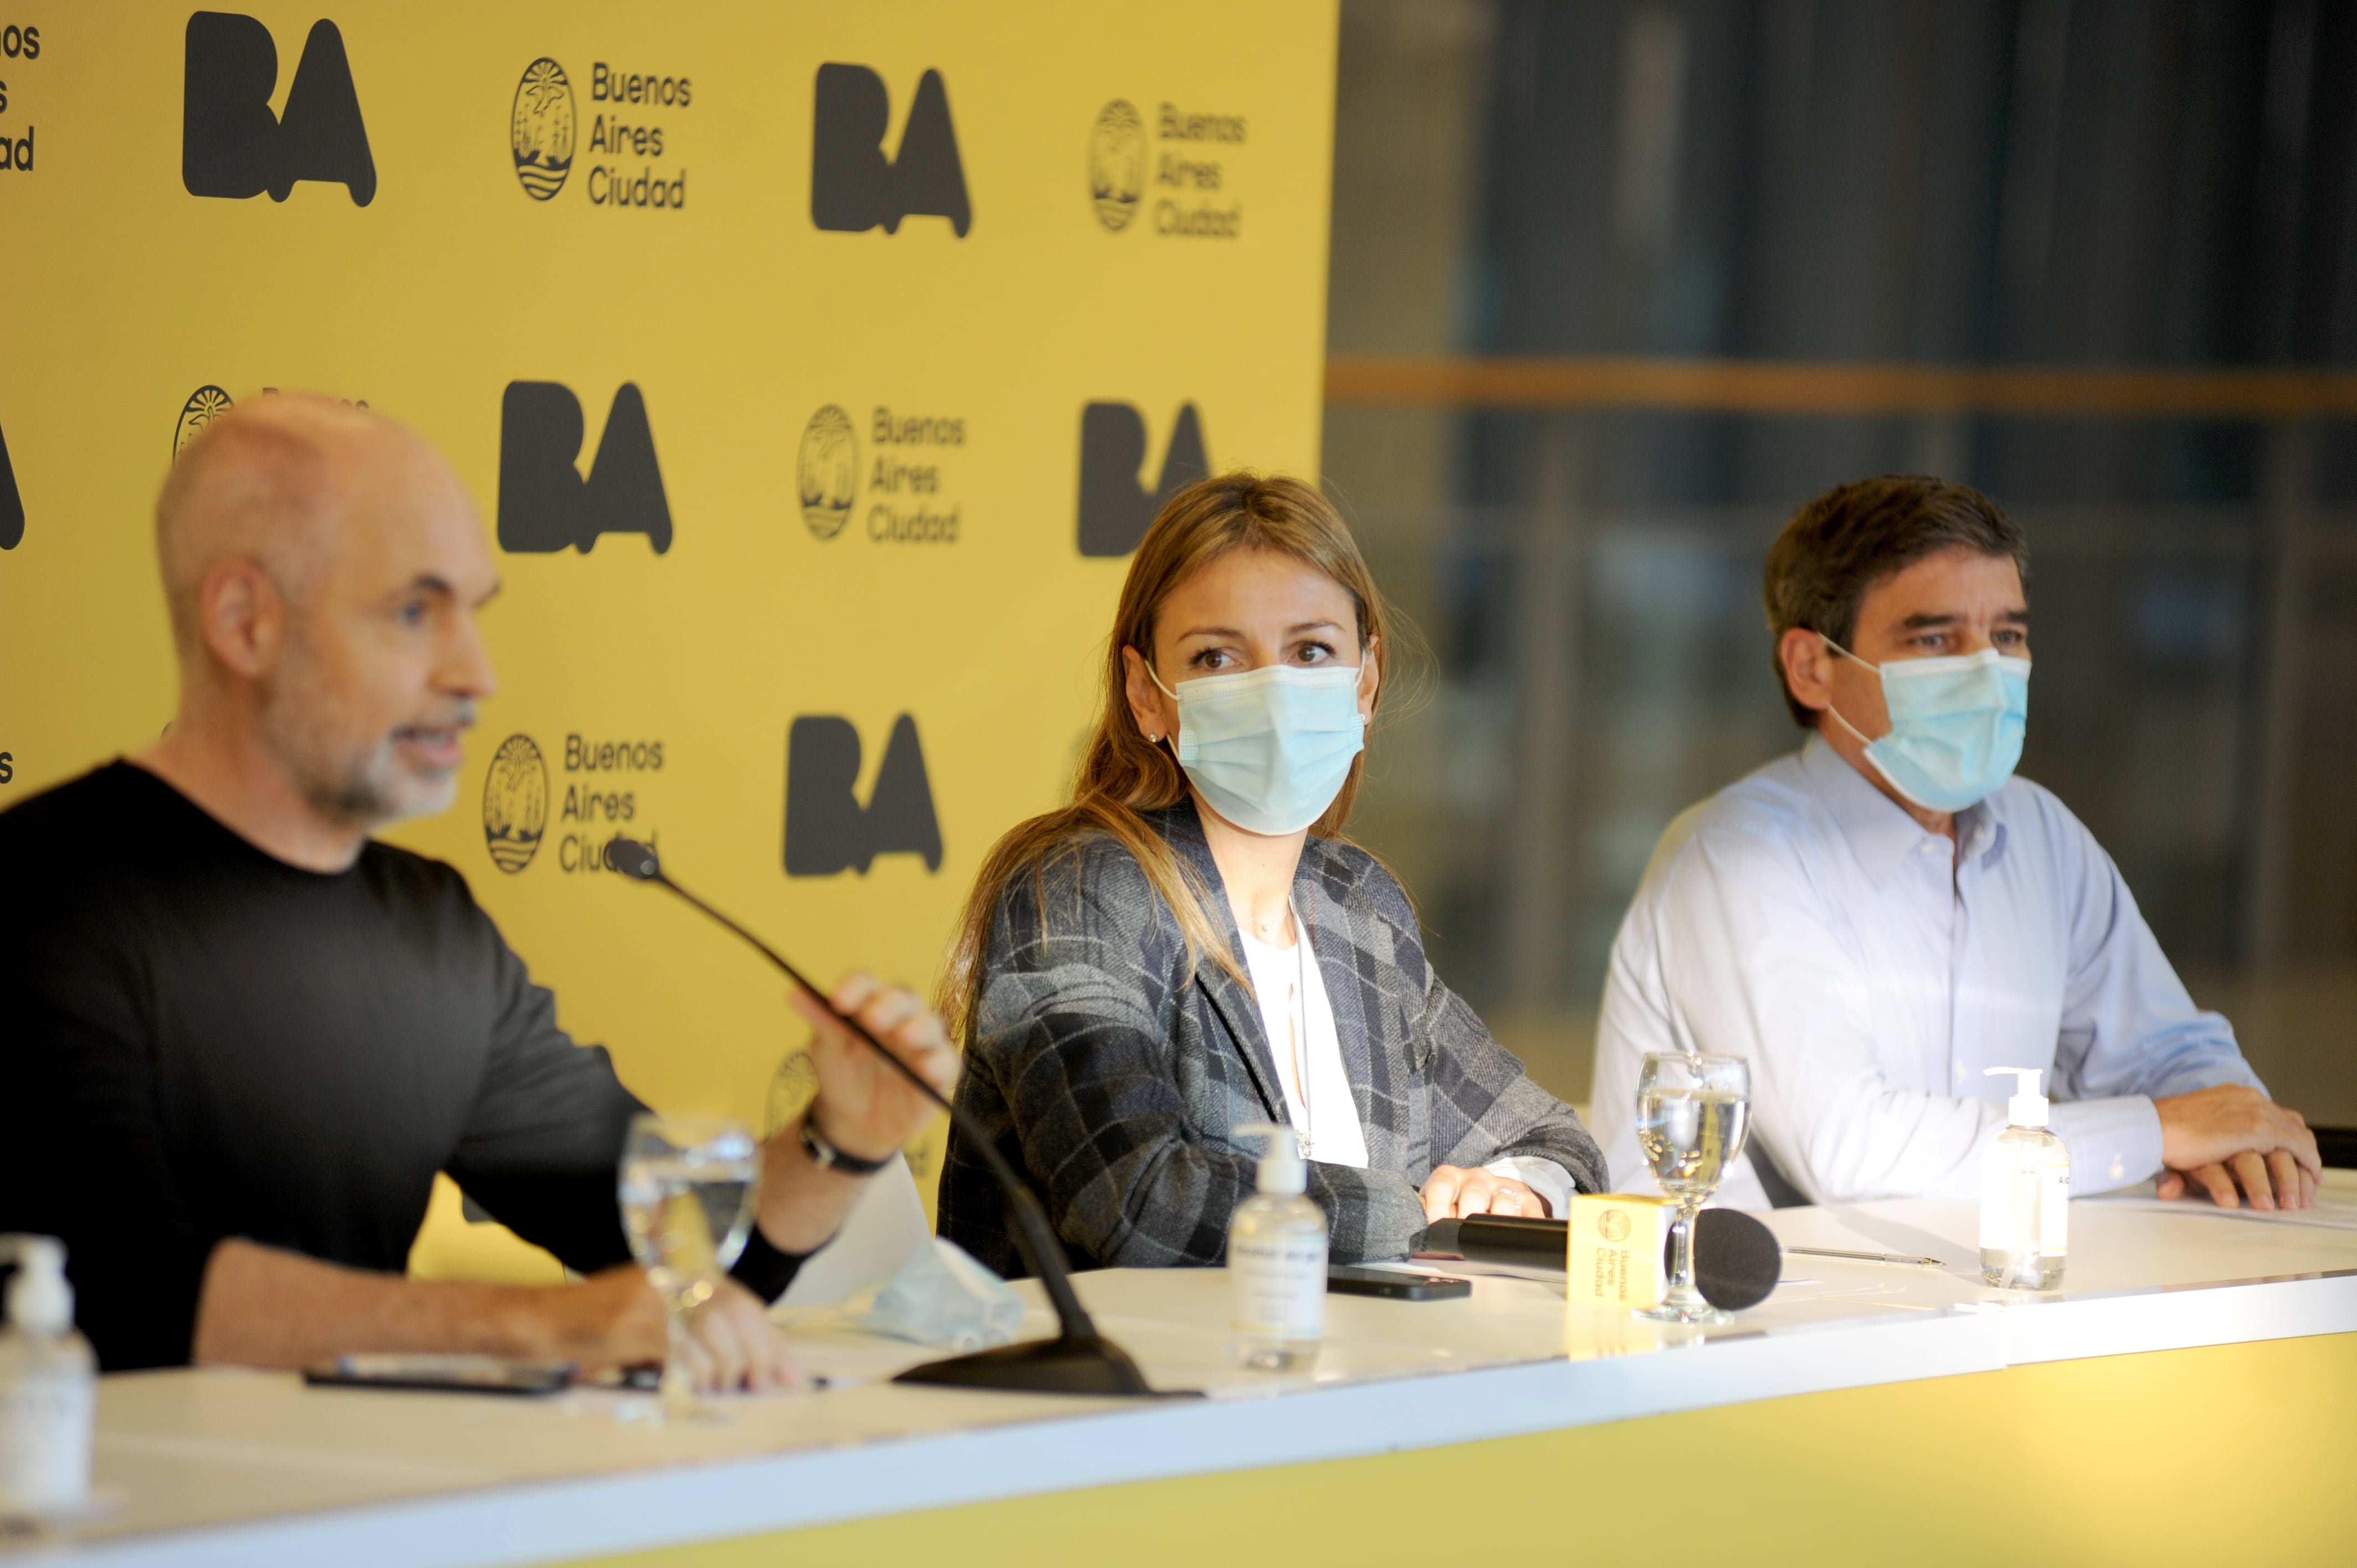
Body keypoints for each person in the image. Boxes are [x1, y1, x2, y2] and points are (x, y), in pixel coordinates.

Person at [0, 399, 959, 1379]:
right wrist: (540, 1327)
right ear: (245, 623)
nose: (477, 673)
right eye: (414, 612)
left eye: (473, 611)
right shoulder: (39, 897)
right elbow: (123, 1294)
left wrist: (840, 1139)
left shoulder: (432, 930)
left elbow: (670, 1254)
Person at [934, 473, 1603, 1277]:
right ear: (1148, 697)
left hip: (1340, 1387)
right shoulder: (1081, 887)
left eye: (1310, 651)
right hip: (1125, 1397)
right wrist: (1413, 1209)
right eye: (1217, 656)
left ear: (1366, 681)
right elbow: (1140, 1201)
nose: (1274, 692)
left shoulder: (1357, 905)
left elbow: (1555, 1142)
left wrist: (1511, 1193)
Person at [1591, 476, 2320, 1211]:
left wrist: (2241, 1135)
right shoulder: (1737, 857)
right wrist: (2155, 1133)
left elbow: (2169, 1056)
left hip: (1987, 1288)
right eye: (1936, 638)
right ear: (1812, 668)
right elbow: (1851, 1149)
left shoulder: (2042, 835)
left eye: (2007, 636)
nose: (1986, 670)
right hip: (1744, 1306)